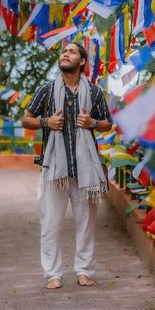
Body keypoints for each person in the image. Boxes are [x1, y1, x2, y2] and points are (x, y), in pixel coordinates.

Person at [22, 42, 113, 290]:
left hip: (86, 172)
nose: (65, 54)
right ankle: (53, 273)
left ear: (82, 61)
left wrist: (93, 122)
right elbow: (25, 119)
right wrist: (46, 121)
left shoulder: (93, 92)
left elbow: (108, 123)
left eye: (72, 51)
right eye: (63, 51)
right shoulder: (47, 91)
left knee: (86, 225)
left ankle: (84, 271)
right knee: (50, 224)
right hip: (54, 171)